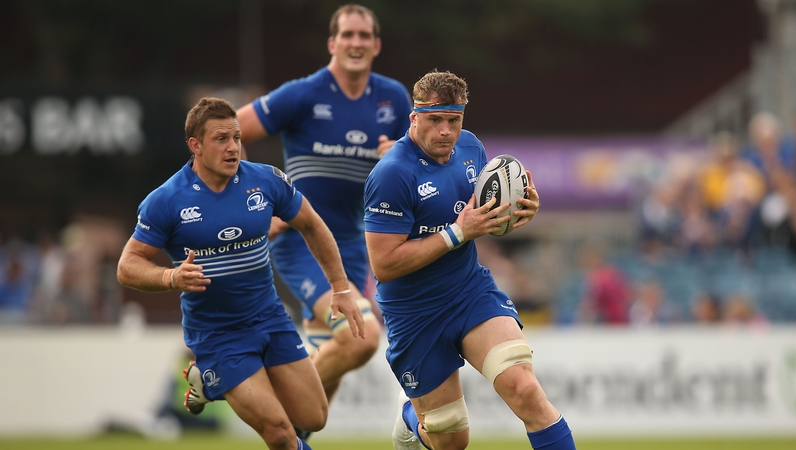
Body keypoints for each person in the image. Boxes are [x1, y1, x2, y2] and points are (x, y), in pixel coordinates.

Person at [116, 97, 366, 450]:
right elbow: (127, 266)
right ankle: (214, 372)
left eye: (236, 137)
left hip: (270, 319)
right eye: (221, 139)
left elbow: (312, 224)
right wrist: (170, 278)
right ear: (196, 146)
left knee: (313, 419)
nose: (233, 147)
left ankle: (207, 382)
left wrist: (341, 288)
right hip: (218, 335)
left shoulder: (265, 180)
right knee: (280, 433)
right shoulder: (166, 200)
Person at [364, 70, 576, 450]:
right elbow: (384, 265)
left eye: (454, 120)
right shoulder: (392, 174)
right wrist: (458, 233)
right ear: (414, 118)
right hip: (415, 314)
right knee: (450, 438)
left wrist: (518, 211)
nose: (446, 131)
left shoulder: (472, 148)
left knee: (525, 389)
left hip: (468, 292)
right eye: (435, 120)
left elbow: (483, 219)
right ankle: (411, 417)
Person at [235, 3, 412, 431]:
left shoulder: (394, 99)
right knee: (362, 338)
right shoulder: (303, 94)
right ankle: (260, 390)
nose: (355, 43)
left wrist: (404, 156)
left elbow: (421, 171)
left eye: (363, 36)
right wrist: (255, 204)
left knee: (314, 414)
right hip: (301, 244)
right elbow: (231, 131)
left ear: (376, 45)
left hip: (354, 246)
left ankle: (293, 432)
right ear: (332, 43)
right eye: (347, 35)